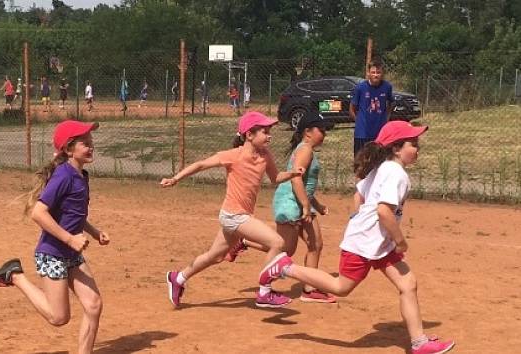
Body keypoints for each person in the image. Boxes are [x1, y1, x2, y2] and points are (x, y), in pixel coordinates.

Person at [259, 121, 455, 354]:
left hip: (378, 243)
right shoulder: (395, 173)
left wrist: (358, 217)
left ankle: (419, 343)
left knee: (408, 283)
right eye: (413, 144)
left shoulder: (382, 167)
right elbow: (384, 212)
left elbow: (359, 193)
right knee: (341, 287)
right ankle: (285, 267)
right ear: (396, 148)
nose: (417, 149)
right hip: (365, 242)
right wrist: (400, 240)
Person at [0, 120, 110, 354]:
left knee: (93, 305)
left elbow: (73, 214)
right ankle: (15, 276)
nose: (91, 146)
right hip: (52, 254)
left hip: (72, 254)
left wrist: (94, 231)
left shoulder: (81, 175)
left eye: (91, 142)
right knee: (59, 317)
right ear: (69, 149)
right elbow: (38, 213)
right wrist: (71, 239)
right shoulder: (63, 176)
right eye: (85, 143)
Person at [162, 112, 305, 309]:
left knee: (216, 256)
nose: (269, 135)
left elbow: (275, 177)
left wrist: (292, 173)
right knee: (278, 242)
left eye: (269, 131)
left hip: (241, 217)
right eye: (265, 131)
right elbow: (201, 164)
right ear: (249, 134)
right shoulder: (234, 155)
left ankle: (178, 277)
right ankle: (264, 292)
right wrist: (175, 178)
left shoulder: (265, 156)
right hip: (233, 215)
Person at [226, 112, 336, 303]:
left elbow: (306, 184)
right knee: (286, 249)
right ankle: (245, 243)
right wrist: (304, 205)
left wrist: (315, 205)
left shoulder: (306, 149)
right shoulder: (305, 150)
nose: (324, 133)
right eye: (321, 129)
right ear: (307, 132)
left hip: (301, 203)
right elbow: (296, 180)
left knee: (315, 244)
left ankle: (310, 289)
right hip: (291, 203)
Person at [350, 60, 394, 157]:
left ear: (382, 74)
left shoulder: (387, 87)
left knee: (378, 160)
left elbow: (390, 103)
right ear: (368, 73)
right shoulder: (360, 88)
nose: (376, 75)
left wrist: (386, 118)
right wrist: (359, 122)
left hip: (379, 132)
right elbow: (352, 108)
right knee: (361, 161)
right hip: (362, 133)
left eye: (378, 72)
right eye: (373, 72)